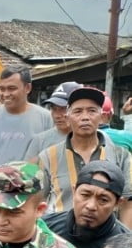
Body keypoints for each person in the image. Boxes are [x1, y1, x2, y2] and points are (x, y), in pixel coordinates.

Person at [0, 66, 52, 221]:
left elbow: (51, 160)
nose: (6, 94)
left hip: (29, 201)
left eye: (12, 88)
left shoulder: (46, 119)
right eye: (2, 89)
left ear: (27, 88)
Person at [38, 86, 132, 214]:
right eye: (78, 111)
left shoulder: (121, 156)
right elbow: (38, 201)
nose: (85, 117)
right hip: (60, 231)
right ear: (68, 117)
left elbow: (127, 204)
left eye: (92, 111)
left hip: (106, 232)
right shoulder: (48, 156)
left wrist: (126, 234)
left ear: (101, 117)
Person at [43, 161, 130, 248]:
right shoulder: (45, 228)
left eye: (103, 200)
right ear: (74, 191)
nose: (91, 206)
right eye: (85, 195)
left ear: (117, 204)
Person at [24, 82, 82, 161]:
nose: (57, 115)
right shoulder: (40, 140)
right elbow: (28, 170)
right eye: (54, 109)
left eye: (63, 108)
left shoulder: (95, 138)